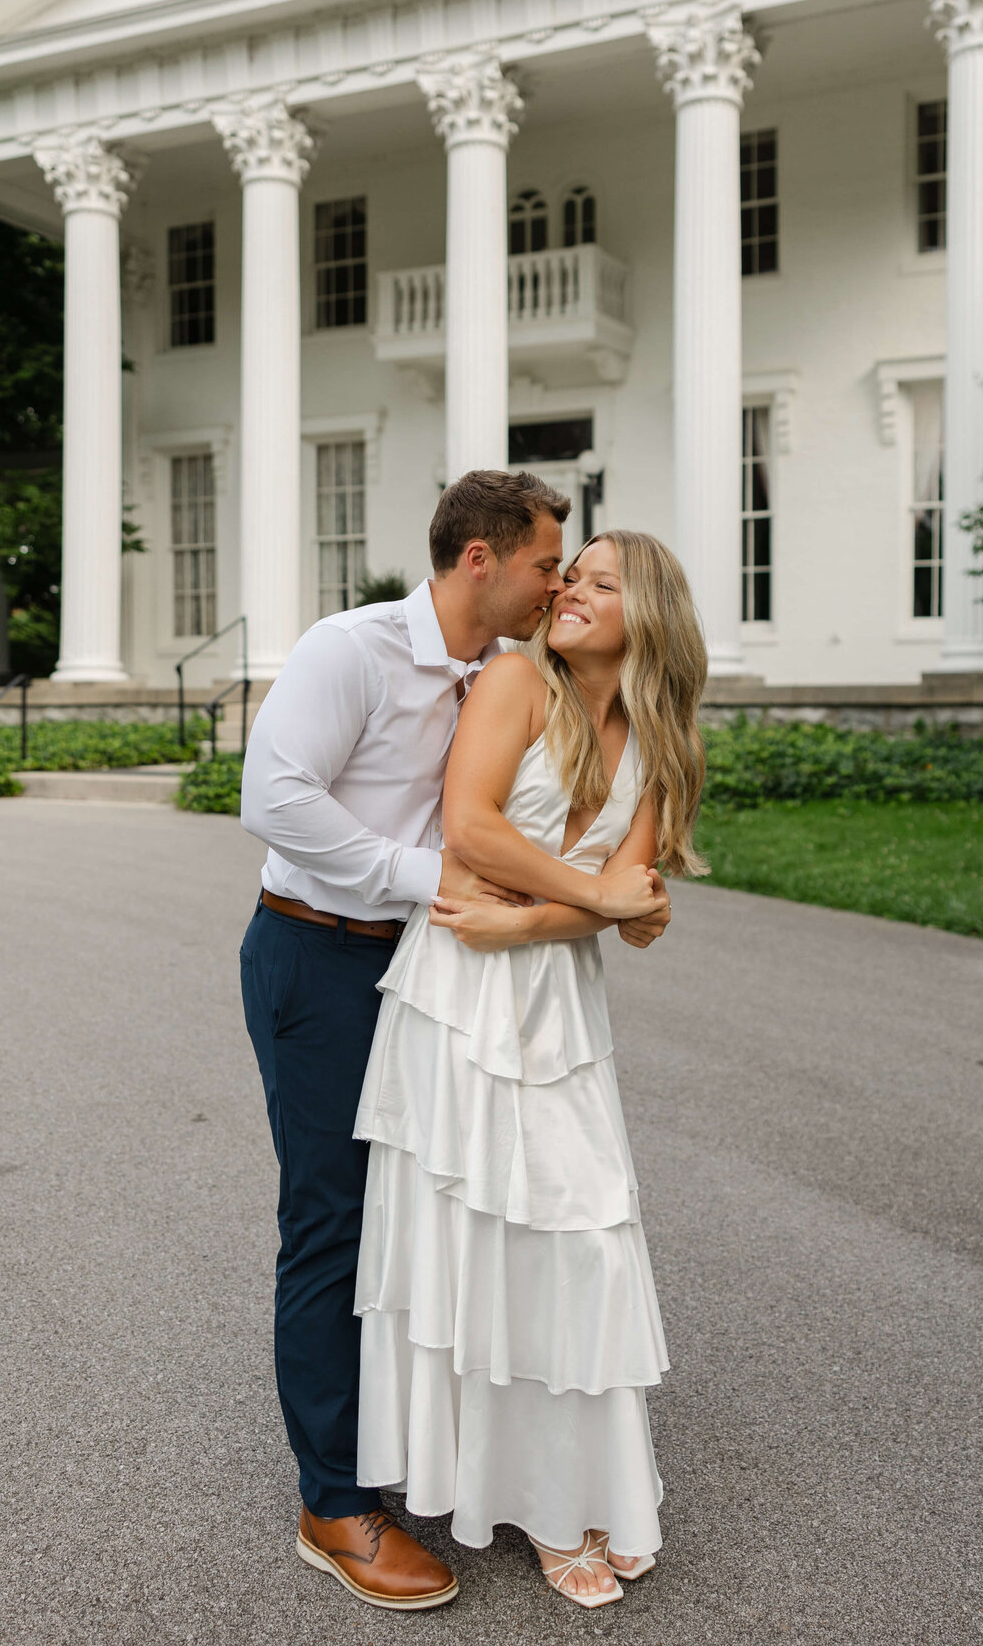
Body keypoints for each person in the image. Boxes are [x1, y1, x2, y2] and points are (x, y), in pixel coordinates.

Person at [238, 473, 670, 1612]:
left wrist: (577, 905)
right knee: (334, 1219)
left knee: (443, 1214)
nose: (559, 582)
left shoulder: (511, 674)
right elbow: (274, 799)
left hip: (446, 967)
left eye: (578, 573)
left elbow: (617, 861)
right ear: (483, 561)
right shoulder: (354, 649)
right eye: (548, 565)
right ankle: (335, 1503)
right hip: (323, 952)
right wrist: (432, 879)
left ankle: (443, 1450)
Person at [353, 529, 708, 1610]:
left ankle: (585, 1489)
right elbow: (469, 831)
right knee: (489, 1242)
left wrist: (549, 921)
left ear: (646, 614)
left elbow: (639, 893)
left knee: (584, 1245)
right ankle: (543, 1510)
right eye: (572, 573)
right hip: (457, 1004)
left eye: (600, 583)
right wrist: (596, 901)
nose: (569, 591)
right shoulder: (514, 682)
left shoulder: (664, 735)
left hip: (551, 998)